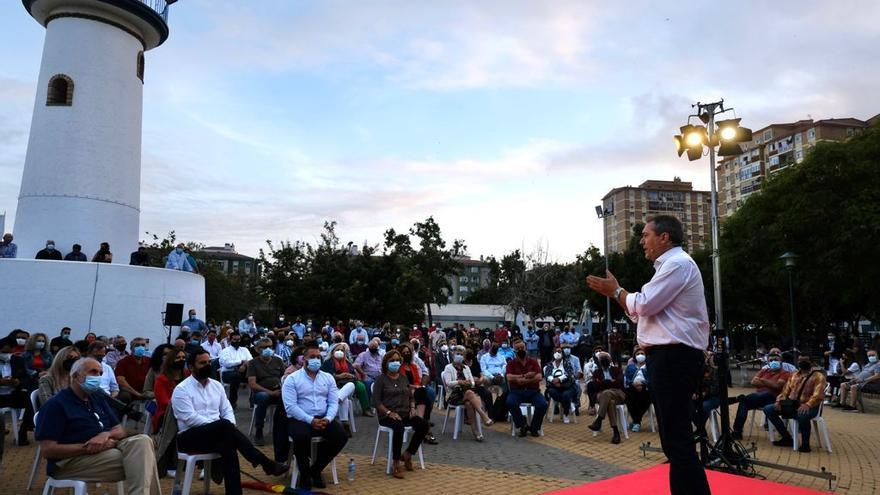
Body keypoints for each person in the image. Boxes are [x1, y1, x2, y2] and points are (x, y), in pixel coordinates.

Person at [587, 215, 711, 494]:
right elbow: (642, 312)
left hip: (674, 358)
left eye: (646, 235)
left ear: (664, 237)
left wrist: (616, 291)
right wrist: (617, 296)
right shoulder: (671, 266)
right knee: (673, 439)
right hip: (669, 358)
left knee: (676, 440)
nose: (642, 241)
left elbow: (643, 304)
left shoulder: (677, 264)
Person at [34, 358, 161, 494]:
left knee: (143, 441)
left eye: (100, 373)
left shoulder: (96, 398)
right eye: (93, 372)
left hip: (105, 450)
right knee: (144, 460)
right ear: (76, 376)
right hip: (70, 462)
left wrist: (105, 435)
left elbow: (119, 430)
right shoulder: (56, 405)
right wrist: (88, 448)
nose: (98, 377)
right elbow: (48, 450)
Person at [172, 349, 288, 495]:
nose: (207, 365)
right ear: (191, 367)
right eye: (202, 363)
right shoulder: (181, 389)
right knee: (224, 428)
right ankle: (264, 462)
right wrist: (221, 425)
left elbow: (227, 410)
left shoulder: (216, 385)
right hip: (189, 437)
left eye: (208, 362)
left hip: (218, 434)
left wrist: (228, 426)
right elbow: (190, 418)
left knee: (228, 443)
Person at [280, 343, 347, 489]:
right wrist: (311, 420)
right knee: (301, 437)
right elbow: (290, 407)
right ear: (304, 359)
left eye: (318, 357)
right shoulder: (292, 379)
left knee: (341, 436)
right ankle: (304, 476)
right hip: (300, 419)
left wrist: (328, 418)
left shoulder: (328, 378)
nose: (316, 360)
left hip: (323, 417)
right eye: (312, 357)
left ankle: (315, 470)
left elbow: (333, 402)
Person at [373, 349, 429, 479]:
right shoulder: (381, 379)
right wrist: (388, 413)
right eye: (392, 361)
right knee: (398, 427)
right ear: (386, 363)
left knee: (424, 425)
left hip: (405, 413)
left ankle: (408, 454)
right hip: (387, 416)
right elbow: (376, 401)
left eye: (397, 360)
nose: (395, 363)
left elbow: (410, 395)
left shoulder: (404, 378)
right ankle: (396, 462)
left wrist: (413, 407)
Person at [763, 355, 827, 452]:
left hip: (811, 406)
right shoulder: (793, 375)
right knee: (768, 409)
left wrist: (807, 405)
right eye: (800, 360)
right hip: (792, 404)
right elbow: (785, 391)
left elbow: (818, 395)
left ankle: (805, 445)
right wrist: (779, 401)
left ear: (811, 362)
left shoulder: (818, 376)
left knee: (802, 415)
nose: (802, 362)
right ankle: (786, 438)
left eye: (805, 360)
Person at [731, 350, 790, 439]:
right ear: (768, 362)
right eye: (771, 360)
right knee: (744, 403)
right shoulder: (764, 371)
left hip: (772, 398)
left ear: (781, 361)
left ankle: (742, 399)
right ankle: (737, 431)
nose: (773, 362)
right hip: (757, 399)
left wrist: (762, 380)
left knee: (762, 394)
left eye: (776, 359)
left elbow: (777, 386)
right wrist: (770, 383)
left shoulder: (785, 373)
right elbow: (753, 382)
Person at [442, 346, 494, 441]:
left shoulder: (466, 368)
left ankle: (476, 432)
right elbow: (448, 383)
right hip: (454, 395)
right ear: (453, 354)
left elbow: (472, 382)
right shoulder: (448, 367)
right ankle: (484, 416)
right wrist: (459, 382)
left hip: (466, 394)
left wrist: (469, 382)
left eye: (462, 354)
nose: (459, 356)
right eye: (457, 353)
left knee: (469, 403)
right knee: (470, 393)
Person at [505, 339, 547, 437]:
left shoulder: (533, 362)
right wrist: (526, 375)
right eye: (518, 348)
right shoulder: (511, 363)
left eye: (522, 348)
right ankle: (522, 424)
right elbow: (509, 377)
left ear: (526, 348)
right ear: (514, 350)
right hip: (516, 392)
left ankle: (534, 427)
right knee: (510, 402)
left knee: (543, 404)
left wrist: (523, 380)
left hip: (533, 392)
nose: (520, 350)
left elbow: (539, 377)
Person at [322, 343, 373, 424]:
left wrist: (349, 375)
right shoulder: (327, 362)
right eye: (337, 350)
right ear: (332, 352)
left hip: (348, 383)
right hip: (334, 385)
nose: (339, 352)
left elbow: (354, 375)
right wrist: (339, 376)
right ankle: (345, 423)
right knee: (344, 398)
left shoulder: (347, 362)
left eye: (341, 350)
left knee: (359, 386)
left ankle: (365, 408)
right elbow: (325, 376)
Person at [248, 338, 285, 446]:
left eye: (270, 346)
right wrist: (270, 392)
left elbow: (284, 377)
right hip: (261, 393)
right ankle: (259, 430)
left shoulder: (278, 360)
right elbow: (252, 384)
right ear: (257, 349)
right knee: (263, 397)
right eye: (264, 347)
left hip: (277, 390)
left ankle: (282, 430)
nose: (268, 349)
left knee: (288, 398)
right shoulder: (253, 363)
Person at [0, 336, 35, 444]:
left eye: (9, 352)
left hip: (13, 394)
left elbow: (25, 377)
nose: (6, 355)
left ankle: (23, 431)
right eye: (3, 352)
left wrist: (17, 382)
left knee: (32, 398)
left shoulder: (18, 360)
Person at [587, 351, 625, 443]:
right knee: (610, 402)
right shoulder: (596, 372)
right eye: (602, 359)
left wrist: (603, 382)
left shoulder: (617, 370)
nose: (604, 360)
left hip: (617, 393)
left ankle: (599, 420)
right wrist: (610, 382)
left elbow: (619, 383)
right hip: (602, 394)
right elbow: (595, 386)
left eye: (606, 358)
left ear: (610, 360)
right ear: (599, 361)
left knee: (607, 393)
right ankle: (616, 432)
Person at [152, 348, 188, 432]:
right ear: (171, 360)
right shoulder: (161, 379)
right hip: (168, 413)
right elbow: (164, 402)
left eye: (183, 357)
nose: (181, 360)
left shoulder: (188, 375)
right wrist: (184, 407)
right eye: (178, 357)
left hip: (188, 409)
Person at [544, 346, 577, 424]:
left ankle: (566, 414)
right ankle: (568, 405)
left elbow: (569, 374)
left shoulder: (567, 363)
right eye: (555, 352)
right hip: (554, 386)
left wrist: (559, 380)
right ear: (553, 354)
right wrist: (553, 380)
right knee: (552, 392)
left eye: (559, 352)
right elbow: (547, 375)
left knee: (566, 395)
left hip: (567, 386)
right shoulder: (550, 364)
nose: (557, 353)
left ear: (562, 354)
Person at [219, 331, 251, 407]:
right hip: (228, 373)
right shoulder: (225, 351)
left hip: (243, 372)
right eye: (235, 339)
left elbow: (250, 360)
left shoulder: (244, 350)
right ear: (230, 340)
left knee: (255, 377)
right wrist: (241, 361)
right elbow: (226, 363)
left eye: (239, 339)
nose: (237, 341)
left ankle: (253, 401)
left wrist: (243, 365)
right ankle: (232, 402)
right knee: (235, 376)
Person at [114, 338, 152, 403]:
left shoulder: (150, 361)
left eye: (143, 345)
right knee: (124, 396)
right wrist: (137, 394)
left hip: (145, 390)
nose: (140, 347)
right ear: (131, 348)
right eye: (137, 345)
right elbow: (121, 381)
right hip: (129, 391)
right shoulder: (123, 362)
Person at [623, 347, 651, 432]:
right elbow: (626, 378)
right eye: (638, 354)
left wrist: (642, 383)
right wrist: (633, 383)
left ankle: (636, 422)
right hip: (632, 387)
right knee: (629, 398)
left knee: (645, 398)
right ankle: (637, 422)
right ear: (634, 356)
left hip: (645, 388)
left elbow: (652, 379)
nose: (640, 355)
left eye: (642, 354)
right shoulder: (630, 367)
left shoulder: (649, 366)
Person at [354, 338, 383, 403]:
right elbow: (356, 365)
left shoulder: (380, 356)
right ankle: (368, 404)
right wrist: (363, 374)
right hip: (368, 376)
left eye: (375, 347)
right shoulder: (363, 355)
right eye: (372, 347)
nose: (373, 348)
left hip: (379, 376)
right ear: (369, 347)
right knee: (368, 383)